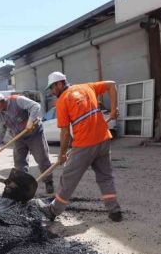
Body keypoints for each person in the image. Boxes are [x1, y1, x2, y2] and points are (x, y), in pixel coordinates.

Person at [35, 72, 122, 222]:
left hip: (84, 145)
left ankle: (53, 210)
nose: (51, 91)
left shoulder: (62, 100)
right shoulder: (87, 87)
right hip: (103, 140)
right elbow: (112, 84)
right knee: (105, 177)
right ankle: (114, 211)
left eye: (52, 87)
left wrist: (62, 154)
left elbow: (65, 133)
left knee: (68, 177)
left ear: (60, 84)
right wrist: (114, 108)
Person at [0, 92, 54, 194]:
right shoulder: (0, 113)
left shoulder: (17, 100)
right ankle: (23, 185)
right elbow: (1, 130)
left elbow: (35, 106)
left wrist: (30, 121)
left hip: (34, 134)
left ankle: (48, 182)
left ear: (0, 102)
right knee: (19, 163)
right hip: (18, 137)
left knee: (42, 159)